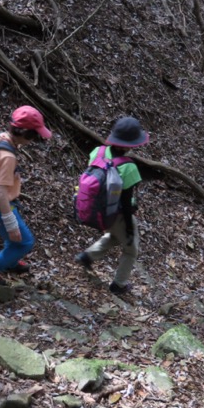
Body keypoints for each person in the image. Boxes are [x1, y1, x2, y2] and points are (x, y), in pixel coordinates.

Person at [0, 106, 52, 285]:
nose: (33, 141)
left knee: (14, 240)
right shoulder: (8, 157)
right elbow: (1, 193)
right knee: (25, 242)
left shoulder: (1, 139)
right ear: (23, 132)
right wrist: (10, 223)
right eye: (33, 136)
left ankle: (11, 263)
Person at [75, 117, 149, 295]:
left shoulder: (97, 152)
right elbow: (126, 201)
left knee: (115, 236)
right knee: (131, 249)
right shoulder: (129, 167)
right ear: (131, 144)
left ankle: (87, 256)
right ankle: (119, 284)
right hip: (117, 214)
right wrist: (130, 228)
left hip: (96, 208)